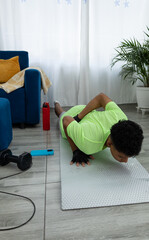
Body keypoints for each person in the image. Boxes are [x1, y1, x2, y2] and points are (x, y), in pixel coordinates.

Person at [54, 93, 144, 167]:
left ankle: (57, 104)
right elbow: (66, 120)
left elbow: (101, 97)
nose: (125, 161)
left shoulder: (121, 117)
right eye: (121, 157)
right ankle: (56, 104)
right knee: (61, 114)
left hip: (86, 110)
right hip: (71, 116)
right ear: (109, 143)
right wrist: (76, 150)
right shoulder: (87, 142)